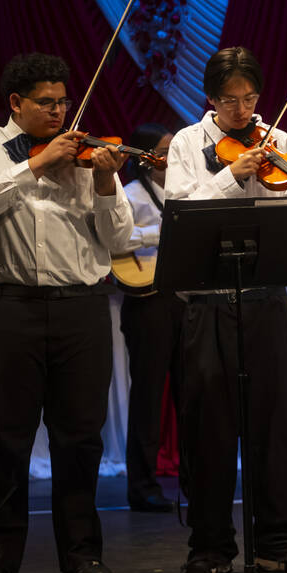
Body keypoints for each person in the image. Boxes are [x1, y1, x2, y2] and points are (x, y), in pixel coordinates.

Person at [0, 52, 133, 573]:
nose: (59, 113)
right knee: (7, 437)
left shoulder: (86, 156)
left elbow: (120, 241)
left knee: (80, 440)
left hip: (81, 307)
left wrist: (103, 185)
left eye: (63, 103)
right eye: (46, 104)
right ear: (17, 104)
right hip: (8, 308)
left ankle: (81, 556)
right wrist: (33, 165)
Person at [164, 46, 287, 573]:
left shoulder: (280, 140)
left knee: (275, 425)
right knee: (209, 425)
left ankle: (279, 539)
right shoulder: (188, 142)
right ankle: (209, 546)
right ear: (211, 98)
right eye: (231, 100)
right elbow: (180, 211)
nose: (243, 109)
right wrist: (232, 174)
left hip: (266, 296)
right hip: (208, 303)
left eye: (250, 98)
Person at [119, 122, 182, 513]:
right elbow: (117, 239)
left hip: (183, 299)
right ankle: (141, 485)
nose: (173, 157)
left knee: (193, 393)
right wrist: (159, 232)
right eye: (165, 149)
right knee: (147, 395)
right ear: (145, 159)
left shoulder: (184, 191)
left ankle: (197, 479)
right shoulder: (129, 195)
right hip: (147, 303)